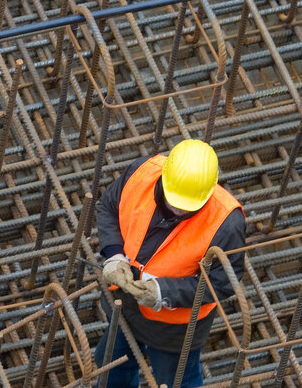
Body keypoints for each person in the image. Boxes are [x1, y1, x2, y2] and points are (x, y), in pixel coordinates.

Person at [94, 139, 245, 387]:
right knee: (111, 366)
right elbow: (109, 207)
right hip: (124, 303)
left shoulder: (226, 222)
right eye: (173, 201)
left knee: (177, 382)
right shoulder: (141, 173)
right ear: (164, 176)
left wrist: (164, 292)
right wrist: (114, 255)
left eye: (185, 207)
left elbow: (222, 282)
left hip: (174, 327)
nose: (176, 210)